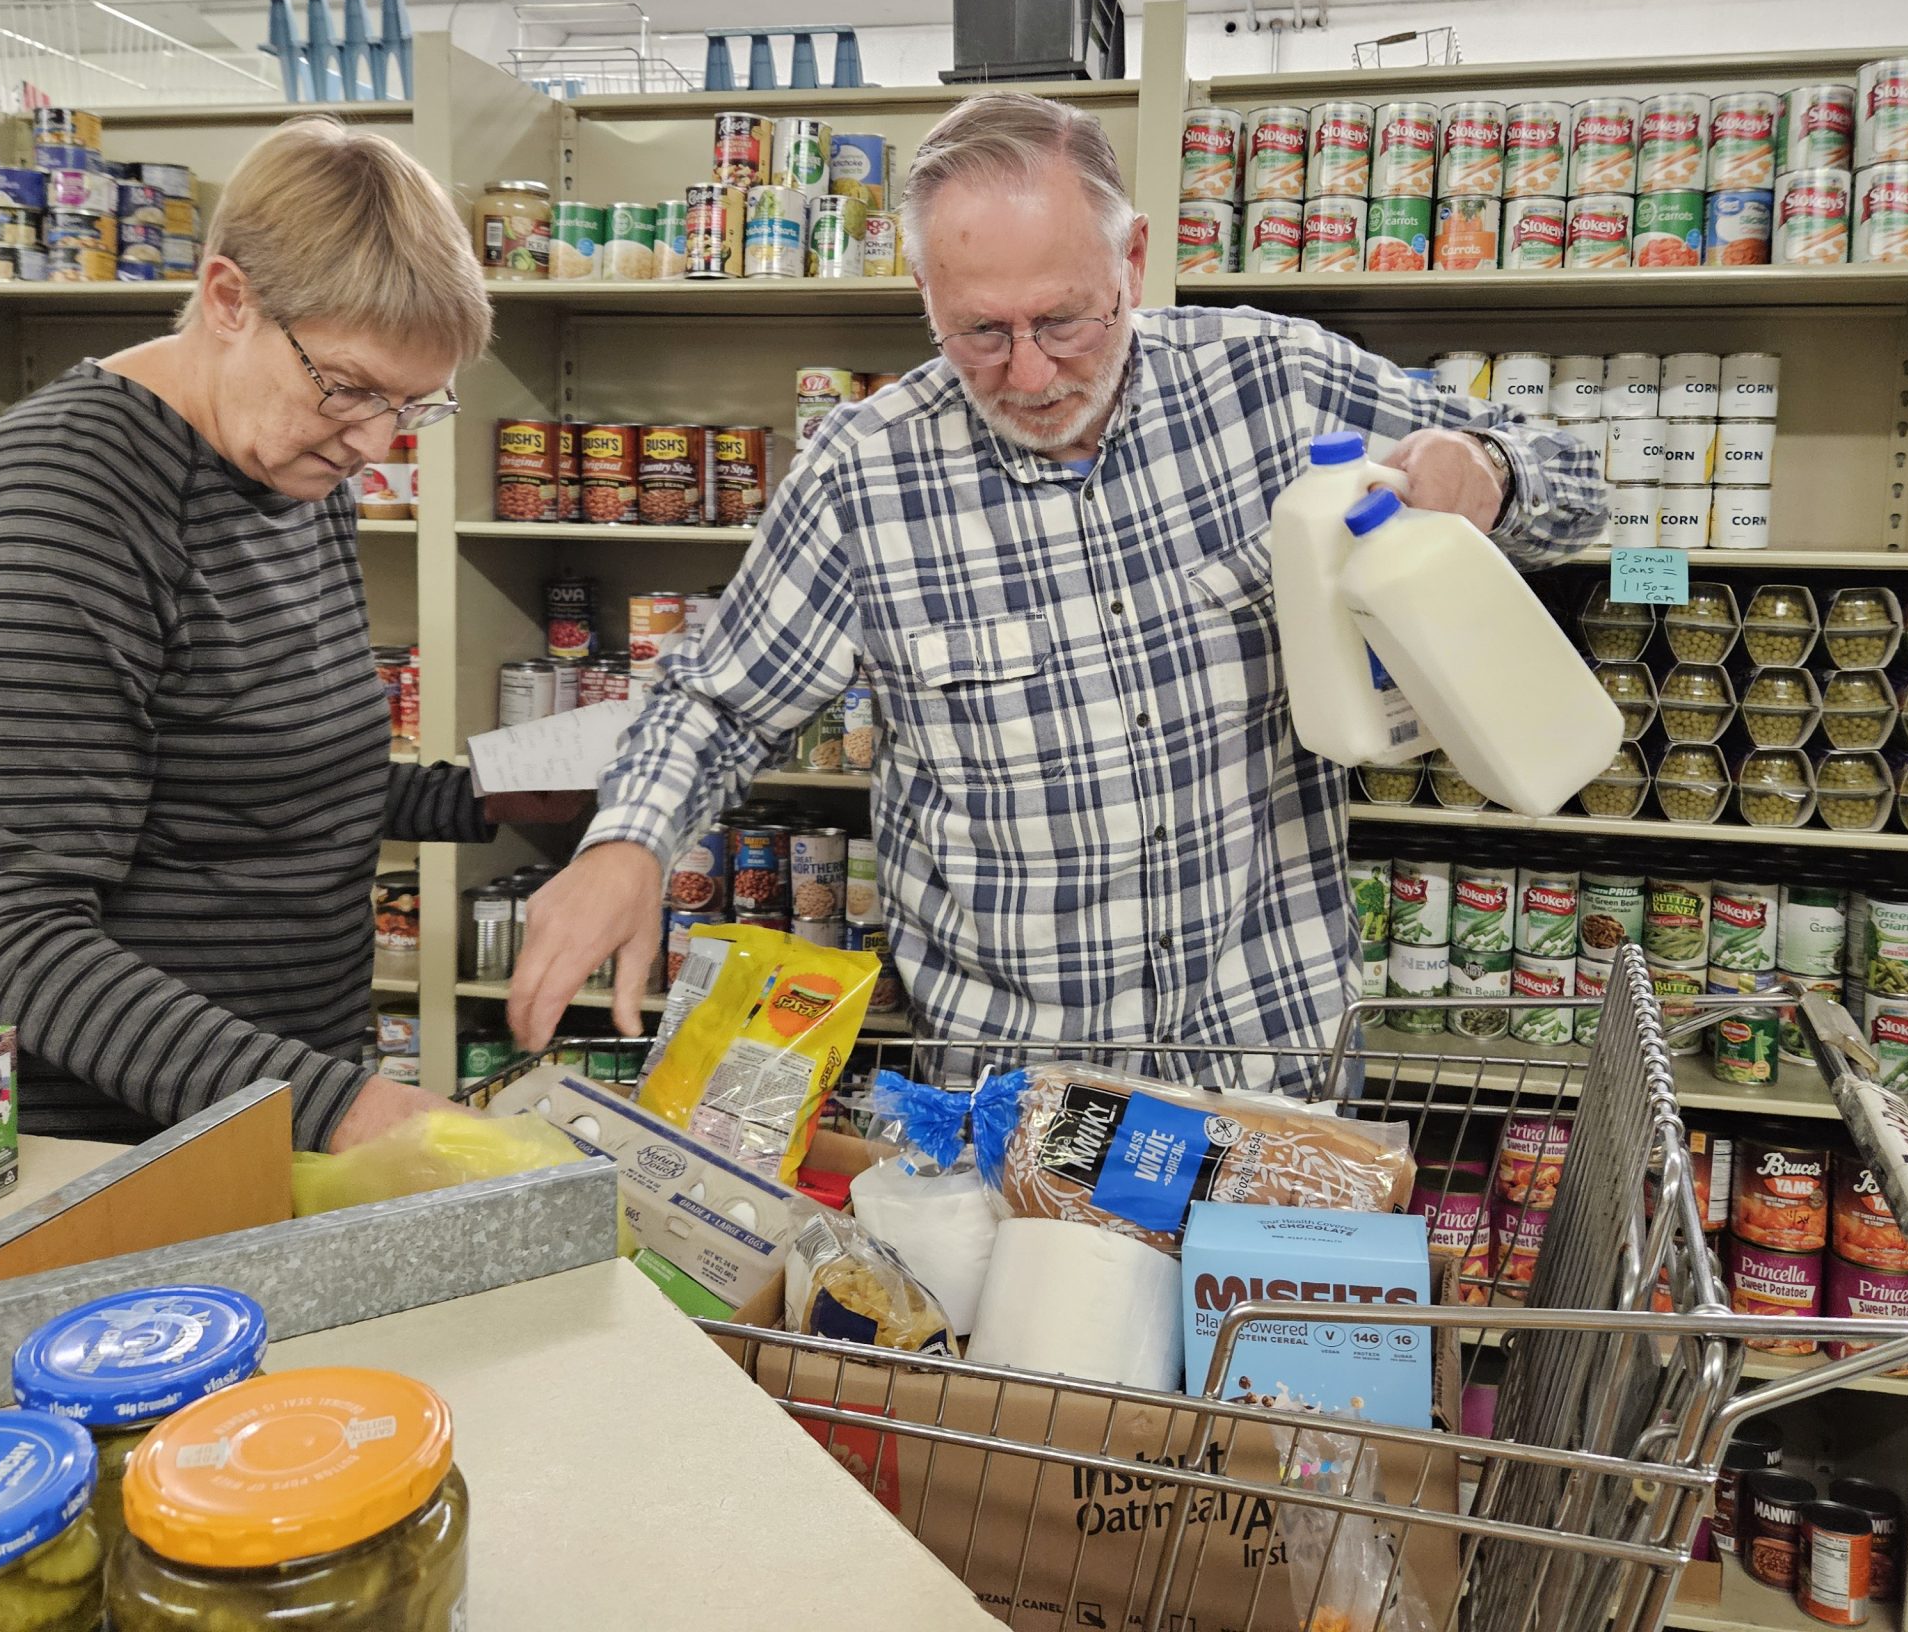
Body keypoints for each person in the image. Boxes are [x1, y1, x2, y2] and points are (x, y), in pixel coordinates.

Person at [509, 91, 1606, 1088]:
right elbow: (717, 700)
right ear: (924, 295)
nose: (1028, 376)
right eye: (979, 332)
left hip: (1271, 1054)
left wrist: (1490, 472)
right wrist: (628, 842)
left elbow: (1576, 480)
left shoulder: (1272, 381)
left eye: (1063, 321)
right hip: (1023, 1100)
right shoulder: (861, 473)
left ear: (1132, 260)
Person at [0, 118, 550, 1152]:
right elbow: (15, 937)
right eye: (348, 386)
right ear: (229, 299)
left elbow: (246, 779)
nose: (375, 442)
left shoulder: (285, 464)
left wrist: (501, 788)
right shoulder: (68, 492)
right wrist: (346, 1112)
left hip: (258, 1106)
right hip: (82, 1145)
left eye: (411, 406)